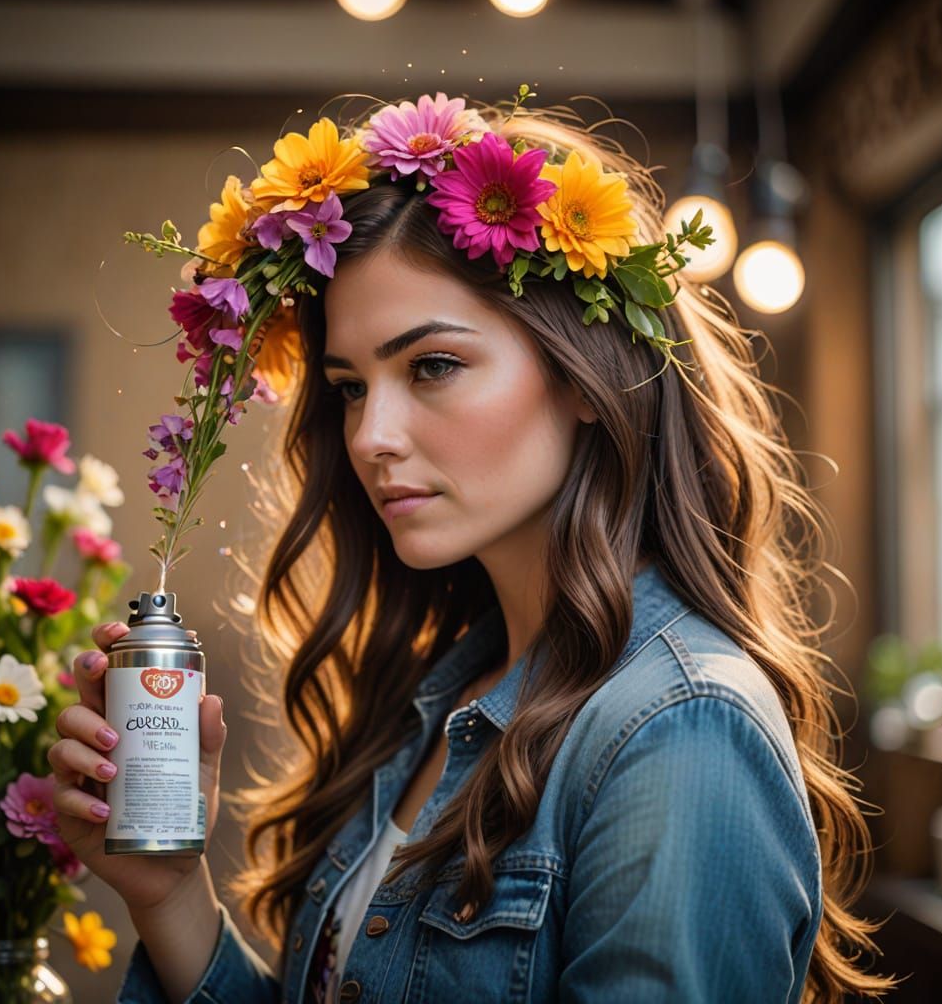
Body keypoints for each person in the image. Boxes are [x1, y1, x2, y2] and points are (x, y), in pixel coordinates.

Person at [50, 92, 897, 1003]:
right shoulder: (444, 699)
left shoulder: (678, 733)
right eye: (348, 386)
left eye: (433, 367)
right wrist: (171, 893)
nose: (371, 435)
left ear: (584, 373)